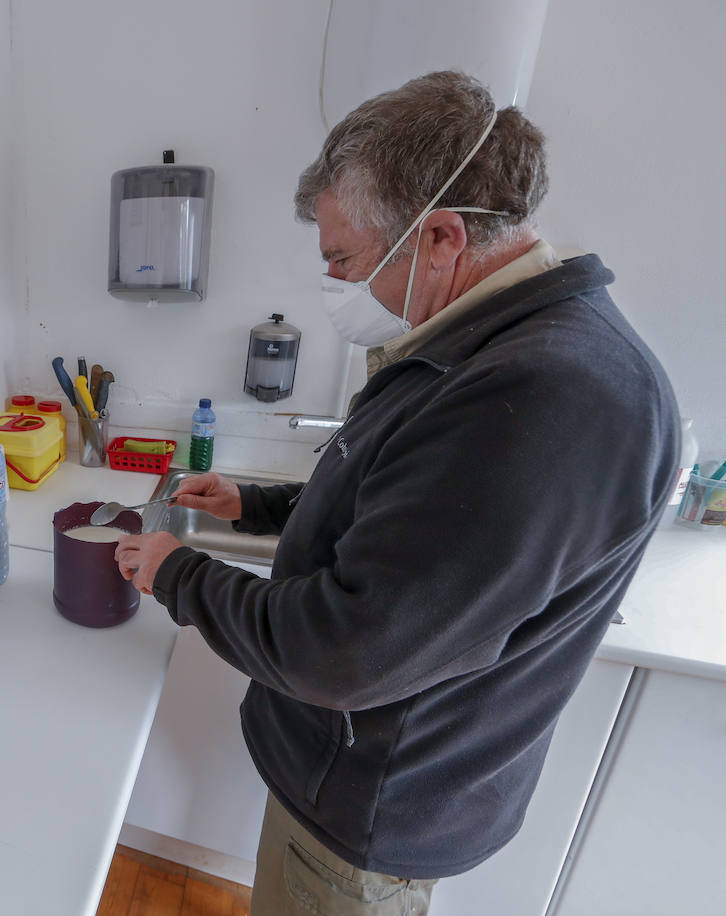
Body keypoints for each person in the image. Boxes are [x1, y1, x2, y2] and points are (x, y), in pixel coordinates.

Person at [114, 70, 679, 915]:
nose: (340, 289)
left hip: (372, 811)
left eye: (343, 261)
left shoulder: (547, 395)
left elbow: (340, 651)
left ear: (443, 237)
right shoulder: (496, 344)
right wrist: (257, 502)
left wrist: (176, 574)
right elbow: (402, 503)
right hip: (353, 780)